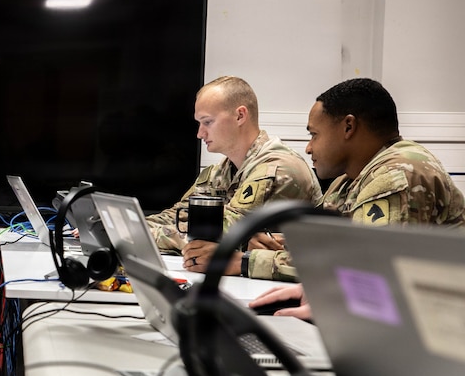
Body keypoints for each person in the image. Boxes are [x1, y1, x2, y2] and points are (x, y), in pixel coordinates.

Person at [240, 79, 465, 318]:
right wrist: (280, 245)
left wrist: (246, 262)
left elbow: (368, 270)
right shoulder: (348, 180)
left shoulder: (397, 174)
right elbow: (327, 252)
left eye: (314, 135)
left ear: (348, 127)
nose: (308, 148)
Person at [147, 76, 321, 262]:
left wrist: (141, 236)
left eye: (207, 122)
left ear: (240, 116)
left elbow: (220, 234)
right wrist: (133, 228)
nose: (200, 134)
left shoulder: (278, 169)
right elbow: (178, 215)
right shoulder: (219, 171)